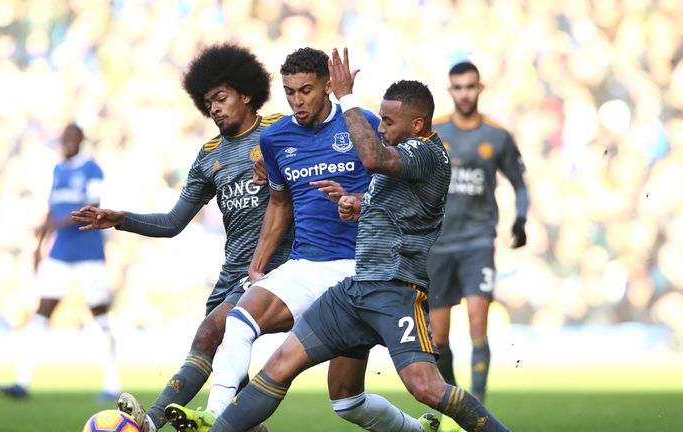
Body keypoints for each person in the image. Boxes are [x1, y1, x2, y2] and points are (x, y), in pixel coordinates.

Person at [207, 47, 512, 432]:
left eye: (387, 121)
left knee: (425, 387)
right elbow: (393, 203)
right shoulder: (399, 154)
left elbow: (371, 158)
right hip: (353, 290)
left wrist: (347, 97)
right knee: (280, 367)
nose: (381, 129)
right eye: (380, 121)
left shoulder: (427, 153)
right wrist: (355, 202)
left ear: (417, 124)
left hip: (395, 290)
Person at [70, 43, 293, 432]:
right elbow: (174, 221)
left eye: (221, 98)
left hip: (277, 266)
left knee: (209, 333)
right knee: (233, 386)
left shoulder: (281, 130)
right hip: (232, 274)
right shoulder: (209, 156)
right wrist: (120, 218)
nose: (215, 109)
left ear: (246, 93)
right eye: (208, 103)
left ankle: (150, 422)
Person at [164, 47, 383, 431]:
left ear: (328, 87)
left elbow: (393, 189)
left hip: (357, 270)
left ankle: (418, 427)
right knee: (238, 320)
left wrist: (360, 203)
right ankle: (214, 416)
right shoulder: (278, 138)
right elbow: (279, 204)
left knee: (348, 401)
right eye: (289, 92)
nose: (297, 100)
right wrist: (258, 263)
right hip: (305, 265)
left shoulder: (359, 122)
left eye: (306, 90)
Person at [426, 61, 528, 419]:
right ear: (450, 90)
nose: (464, 93)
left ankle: (479, 405)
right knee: (438, 338)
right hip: (437, 245)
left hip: (477, 242)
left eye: (470, 87)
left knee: (476, 322)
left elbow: (519, 182)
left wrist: (521, 218)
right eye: (458, 87)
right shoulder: (433, 133)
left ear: (479, 88)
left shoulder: (497, 135)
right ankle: (459, 405)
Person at [0, 123, 121, 402]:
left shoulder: (92, 169)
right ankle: (21, 382)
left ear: (80, 140)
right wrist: (39, 245)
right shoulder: (58, 169)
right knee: (41, 312)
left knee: (99, 316)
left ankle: (112, 383)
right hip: (60, 254)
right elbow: (51, 208)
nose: (66, 142)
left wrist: (54, 224)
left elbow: (93, 209)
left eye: (71, 138)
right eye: (63, 138)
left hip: (89, 253)